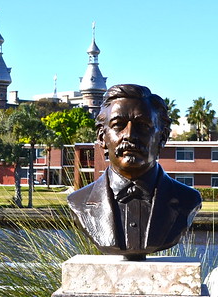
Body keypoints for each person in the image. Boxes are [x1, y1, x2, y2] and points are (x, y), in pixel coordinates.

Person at [68, 84, 202, 260]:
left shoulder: (187, 200)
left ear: (162, 137)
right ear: (102, 137)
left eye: (143, 126)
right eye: (118, 125)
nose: (130, 135)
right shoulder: (78, 201)